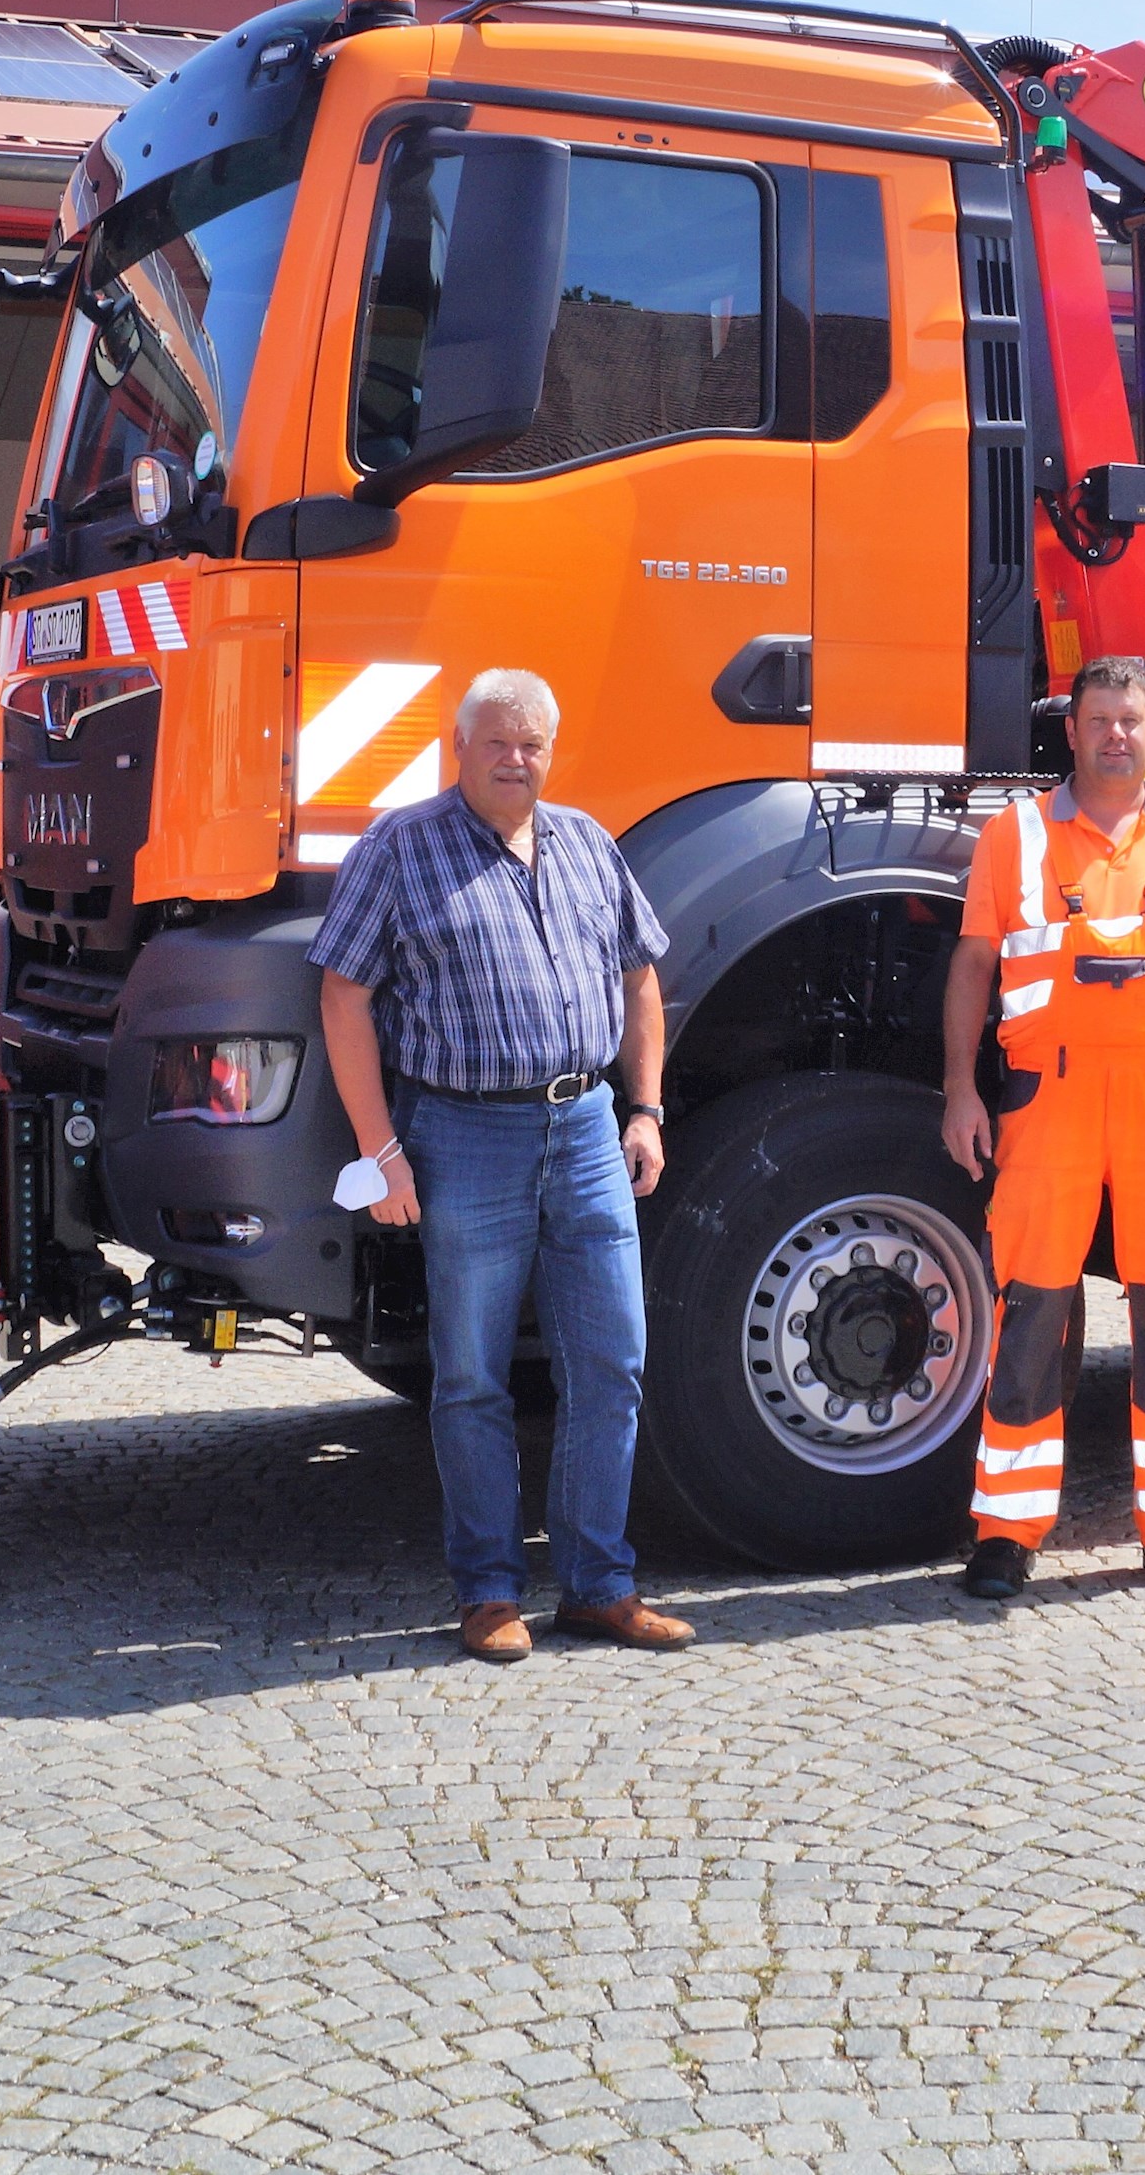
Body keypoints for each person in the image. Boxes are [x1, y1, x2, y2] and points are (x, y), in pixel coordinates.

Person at [314, 668, 693, 1664]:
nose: (514, 758)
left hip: (587, 1131)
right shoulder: (401, 847)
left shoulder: (586, 842)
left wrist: (645, 1109)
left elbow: (640, 976)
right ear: (460, 747)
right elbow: (342, 998)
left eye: (531, 743)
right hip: (463, 1136)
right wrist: (380, 1149)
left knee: (610, 1364)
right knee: (473, 1377)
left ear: (550, 750)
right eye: (496, 742)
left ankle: (598, 1587)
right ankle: (487, 1593)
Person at [938, 655, 1145, 1603]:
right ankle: (1006, 1532)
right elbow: (972, 965)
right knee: (1034, 1311)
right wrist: (961, 1090)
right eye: (1099, 719)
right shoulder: (1016, 835)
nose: (1116, 734)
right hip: (1048, 1102)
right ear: (1072, 730)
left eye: (1132, 719)